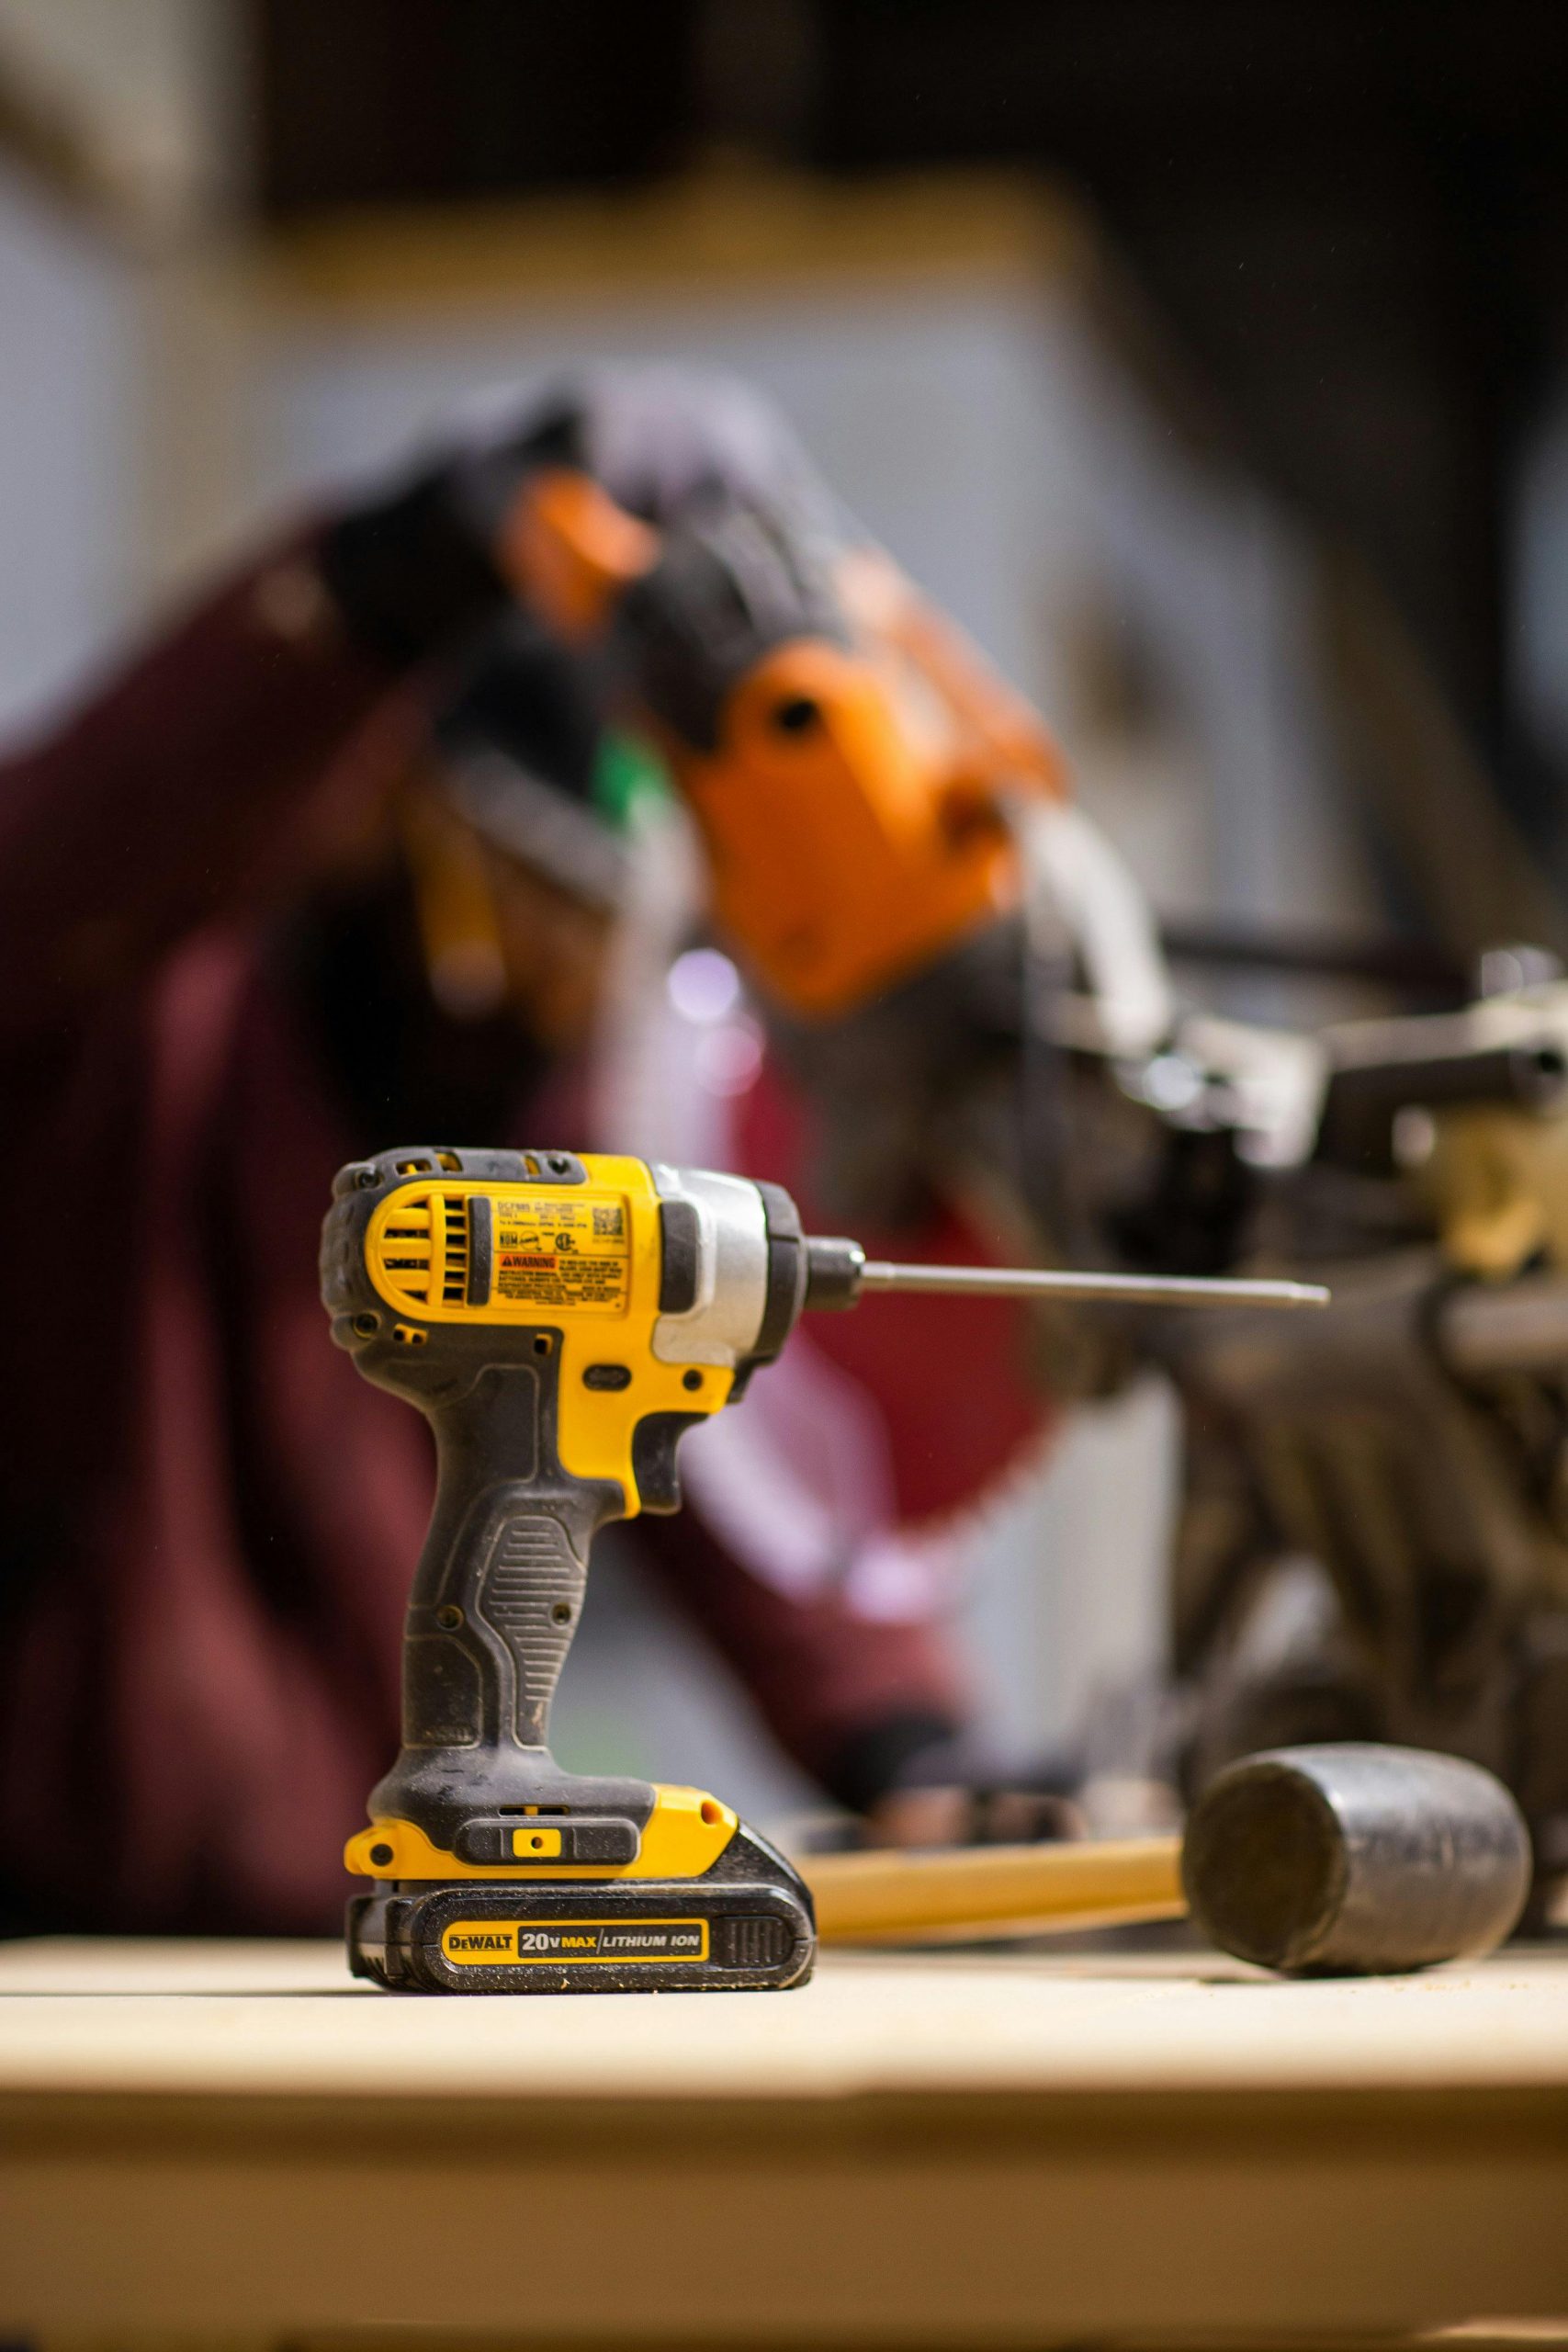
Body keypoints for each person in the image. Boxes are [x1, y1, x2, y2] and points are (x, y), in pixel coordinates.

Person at [0, 371, 1053, 1937]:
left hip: (355, 1955)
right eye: (529, 888)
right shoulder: (131, 1022)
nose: (567, 964)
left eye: (603, 917)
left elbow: (705, 1454)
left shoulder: (559, 1133)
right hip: (57, 1959)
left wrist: (909, 1743)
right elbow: (90, 826)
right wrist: (390, 574)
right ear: (404, 817)